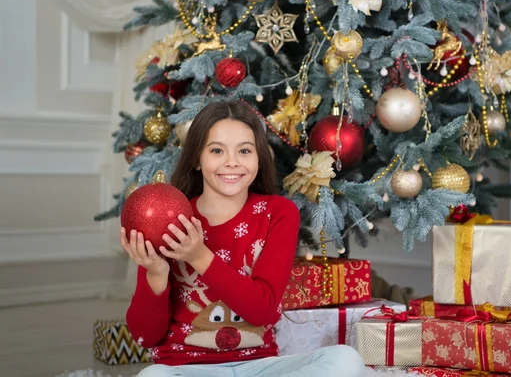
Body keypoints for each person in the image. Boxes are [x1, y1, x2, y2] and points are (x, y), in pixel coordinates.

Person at [120, 101, 365, 377]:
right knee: (151, 376)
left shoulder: (278, 214)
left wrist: (198, 256)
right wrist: (156, 274)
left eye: (245, 150)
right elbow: (145, 337)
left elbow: (262, 310)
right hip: (188, 370)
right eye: (216, 150)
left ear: (259, 158)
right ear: (197, 159)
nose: (232, 162)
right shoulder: (170, 218)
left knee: (346, 360)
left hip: (260, 368)